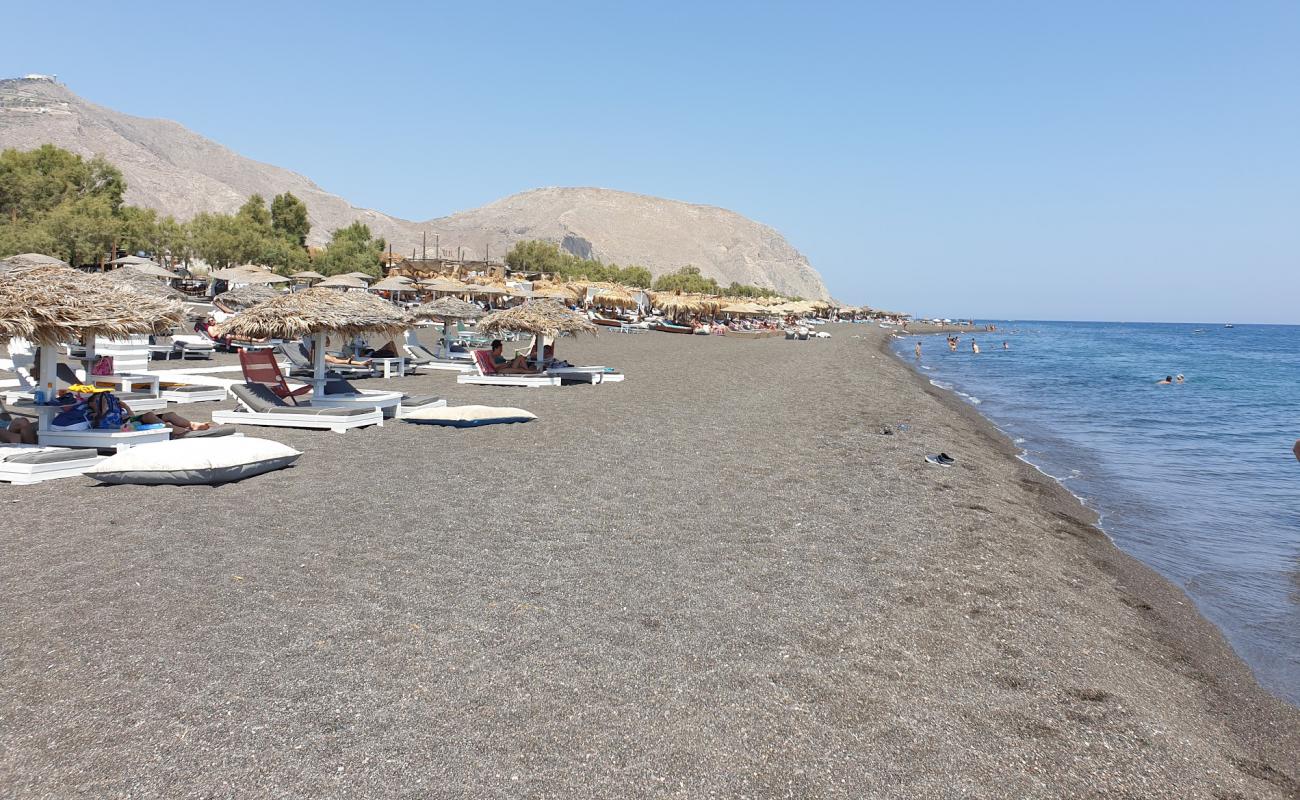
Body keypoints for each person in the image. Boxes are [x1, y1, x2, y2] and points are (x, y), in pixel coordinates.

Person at [86, 392, 216, 439]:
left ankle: (191, 425)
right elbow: (99, 418)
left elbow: (132, 415)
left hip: (131, 420)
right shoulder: (99, 414)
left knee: (169, 414)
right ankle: (182, 432)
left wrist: (125, 407)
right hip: (126, 426)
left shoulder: (117, 409)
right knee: (149, 415)